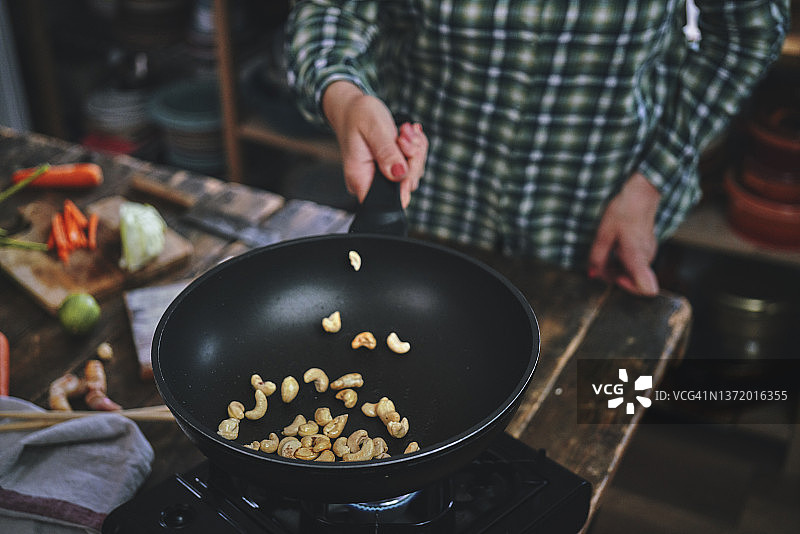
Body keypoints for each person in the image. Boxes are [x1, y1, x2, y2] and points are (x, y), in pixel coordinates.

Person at [285, 1, 789, 296]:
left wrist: (653, 180)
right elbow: (332, 10)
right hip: (428, 198)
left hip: (603, 214)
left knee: (585, 413)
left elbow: (750, 29)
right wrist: (344, 94)